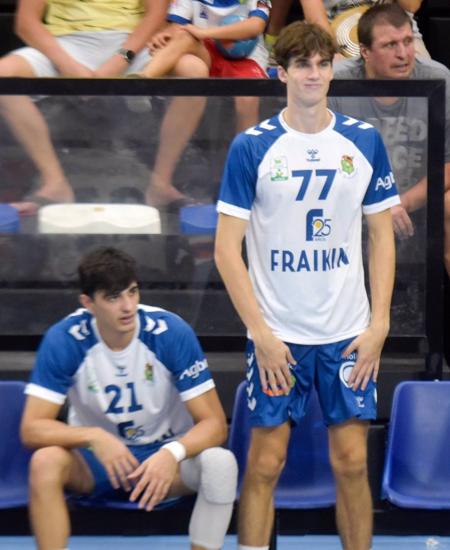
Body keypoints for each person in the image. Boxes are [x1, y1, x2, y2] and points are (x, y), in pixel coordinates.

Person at [215, 20, 399, 550]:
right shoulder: (252, 146)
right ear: (282, 73)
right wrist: (262, 335)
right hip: (280, 337)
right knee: (265, 464)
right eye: (302, 65)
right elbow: (228, 250)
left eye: (322, 64)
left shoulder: (362, 141)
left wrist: (380, 323)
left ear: (332, 70)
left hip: (347, 334)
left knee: (351, 464)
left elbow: (381, 238)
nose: (313, 74)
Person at [20, 246, 237, 550]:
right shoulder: (66, 338)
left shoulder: (169, 332)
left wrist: (171, 453)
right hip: (99, 463)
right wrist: (93, 436)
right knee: (45, 462)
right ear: (88, 303)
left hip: (165, 459)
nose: (127, 306)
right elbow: (32, 429)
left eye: (132, 292)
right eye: (113, 297)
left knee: (220, 464)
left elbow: (215, 425)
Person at [0, 0, 170, 215]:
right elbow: (25, 23)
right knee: (3, 74)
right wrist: (69, 66)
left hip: (131, 47)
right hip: (63, 46)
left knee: (191, 68)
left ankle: (162, 183)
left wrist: (119, 62)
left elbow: (157, 14)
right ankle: (54, 183)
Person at [329, 2, 450, 276]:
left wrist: (402, 202)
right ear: (365, 52)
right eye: (390, 45)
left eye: (408, 41)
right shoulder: (338, 84)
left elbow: (448, 162)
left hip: (417, 201)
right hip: (353, 201)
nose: (403, 54)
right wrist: (378, 205)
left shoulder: (437, 78)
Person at [142, 0, 271, 208]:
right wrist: (166, 36)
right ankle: (142, 82)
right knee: (188, 57)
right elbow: (178, 28)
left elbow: (255, 26)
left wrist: (205, 32)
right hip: (204, 51)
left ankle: (243, 183)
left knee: (247, 96)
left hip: (246, 58)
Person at [264, 0, 428, 61]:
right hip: (330, 35)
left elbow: (412, 5)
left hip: (395, 32)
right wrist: (335, 54)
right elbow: (316, 18)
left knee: (430, 75)